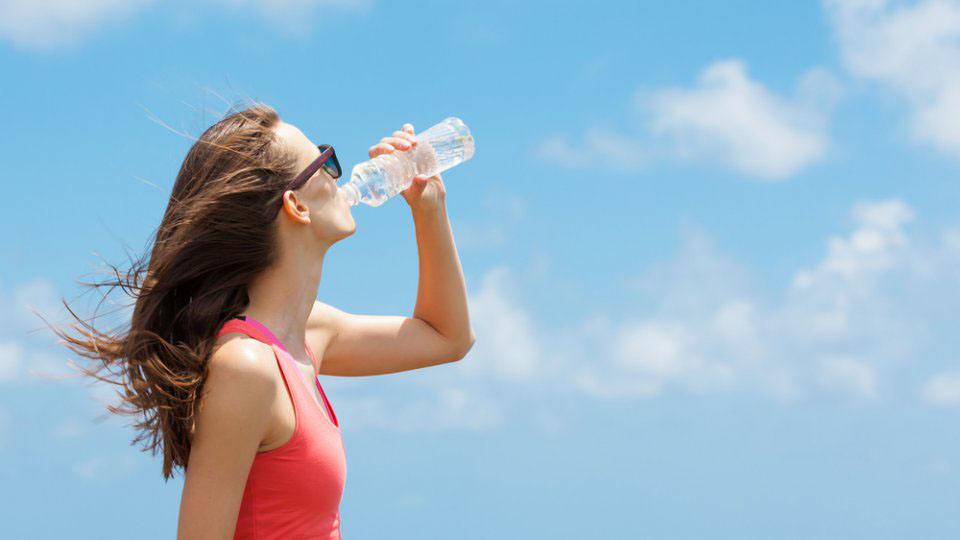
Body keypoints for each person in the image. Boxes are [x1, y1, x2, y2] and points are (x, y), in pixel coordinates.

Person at [48, 102, 476, 539]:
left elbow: (448, 338)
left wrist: (429, 209)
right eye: (325, 162)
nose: (338, 174)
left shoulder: (307, 336)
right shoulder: (247, 366)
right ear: (296, 205)